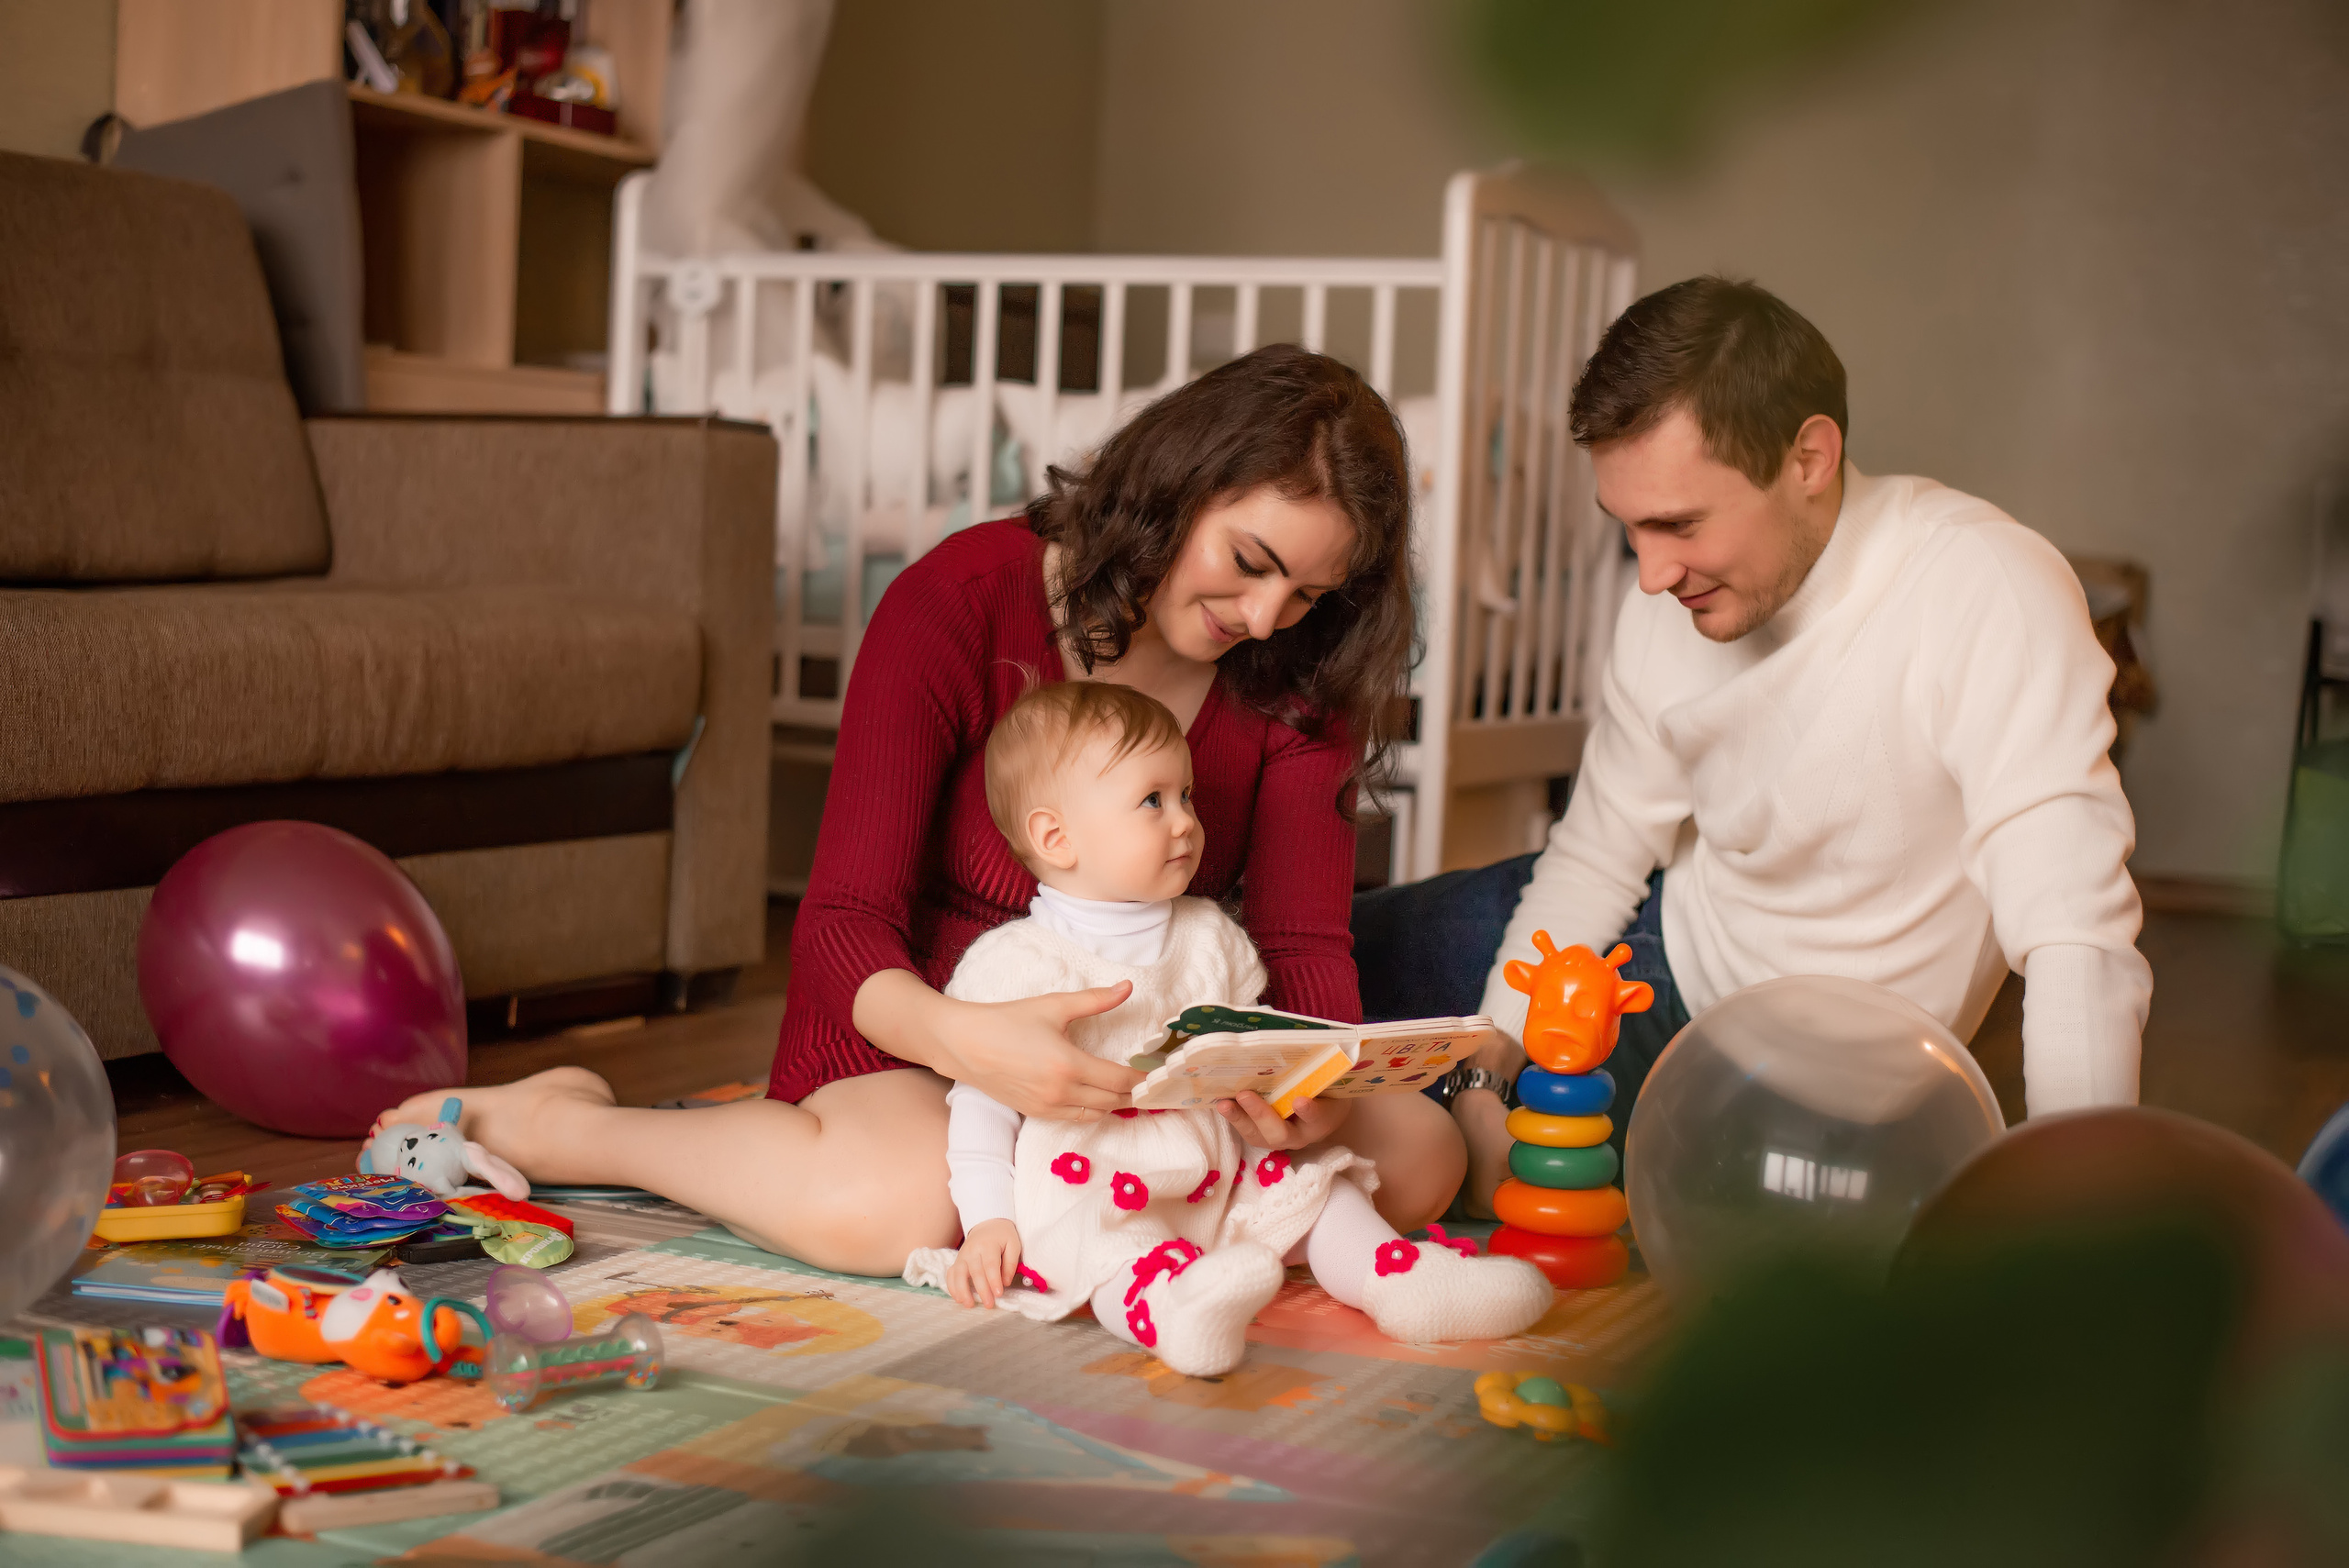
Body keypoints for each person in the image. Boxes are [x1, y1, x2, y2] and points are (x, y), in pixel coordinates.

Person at [372, 345, 1465, 1274]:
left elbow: (1302, 943)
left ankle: (1100, 1224)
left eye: (1310, 594)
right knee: (899, 1206)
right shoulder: (959, 599)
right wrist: (969, 1042)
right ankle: (577, 1126)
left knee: (1420, 1153)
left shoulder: (1295, 678)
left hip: (1140, 1070)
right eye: (1250, 563)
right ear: (1180, 485)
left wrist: (1309, 1081)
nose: (1268, 615)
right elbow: (844, 919)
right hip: (917, 1035)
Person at [1359, 277, 2152, 1212]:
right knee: (1296, 973)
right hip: (1647, 956)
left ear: (1810, 456)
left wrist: (2083, 1207)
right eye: (1630, 531)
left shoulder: (1984, 588)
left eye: (1679, 524)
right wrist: (1490, 1062)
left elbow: (2075, 933)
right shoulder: (1666, 606)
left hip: (1827, 1084)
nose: (1650, 576)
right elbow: (1598, 852)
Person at [900, 682, 1551, 1375]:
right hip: (1093, 1183)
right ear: (1055, 836)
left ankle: (1400, 1281)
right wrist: (989, 1220)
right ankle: (1177, 1311)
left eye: (1187, 797)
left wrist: (1298, 1070)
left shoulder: (1209, 934)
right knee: (1110, 1250)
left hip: (1219, 1167)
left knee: (1318, 1188)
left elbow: (1246, 1036)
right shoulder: (1015, 961)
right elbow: (981, 1102)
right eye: (1153, 800)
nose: (1183, 821)